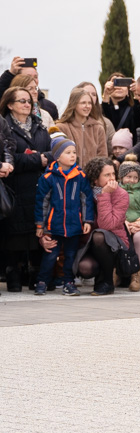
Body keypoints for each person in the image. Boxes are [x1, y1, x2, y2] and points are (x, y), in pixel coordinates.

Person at [0, 87, 53, 292]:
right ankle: (14, 273)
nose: (26, 104)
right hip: (14, 184)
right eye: (21, 101)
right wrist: (35, 159)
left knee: (35, 230)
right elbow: (11, 156)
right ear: (10, 104)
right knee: (15, 233)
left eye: (29, 101)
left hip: (38, 186)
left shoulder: (39, 125)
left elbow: (50, 152)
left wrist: (41, 158)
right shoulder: (6, 125)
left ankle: (35, 274)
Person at [34, 134, 94, 296]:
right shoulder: (48, 178)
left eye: (74, 152)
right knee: (50, 255)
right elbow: (42, 203)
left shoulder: (81, 177)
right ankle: (42, 281)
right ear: (57, 156)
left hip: (74, 225)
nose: (73, 155)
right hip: (54, 225)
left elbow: (86, 199)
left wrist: (87, 220)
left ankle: (68, 282)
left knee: (70, 256)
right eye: (68, 152)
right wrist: (40, 225)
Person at [74, 157, 128, 296]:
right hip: (88, 244)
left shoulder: (121, 194)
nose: (112, 178)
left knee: (99, 235)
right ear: (95, 179)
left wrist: (105, 195)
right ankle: (100, 273)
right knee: (85, 268)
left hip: (114, 244)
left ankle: (107, 282)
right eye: (106, 175)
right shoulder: (84, 193)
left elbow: (107, 225)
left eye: (113, 174)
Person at [117, 155, 140, 292]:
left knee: (138, 238)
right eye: (128, 176)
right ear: (121, 177)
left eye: (135, 177)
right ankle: (116, 271)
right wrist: (123, 222)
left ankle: (136, 275)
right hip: (121, 224)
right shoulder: (117, 191)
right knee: (117, 239)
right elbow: (114, 209)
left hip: (139, 226)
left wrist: (139, 222)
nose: (132, 180)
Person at [55, 87, 108, 169]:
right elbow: (58, 156)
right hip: (69, 176)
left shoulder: (98, 127)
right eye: (83, 103)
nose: (87, 106)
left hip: (92, 178)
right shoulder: (61, 127)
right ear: (74, 104)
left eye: (89, 103)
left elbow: (103, 156)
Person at [75, 81, 116, 148]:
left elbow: (112, 150)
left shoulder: (106, 123)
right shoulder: (67, 123)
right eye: (86, 93)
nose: (90, 97)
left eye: (94, 94)